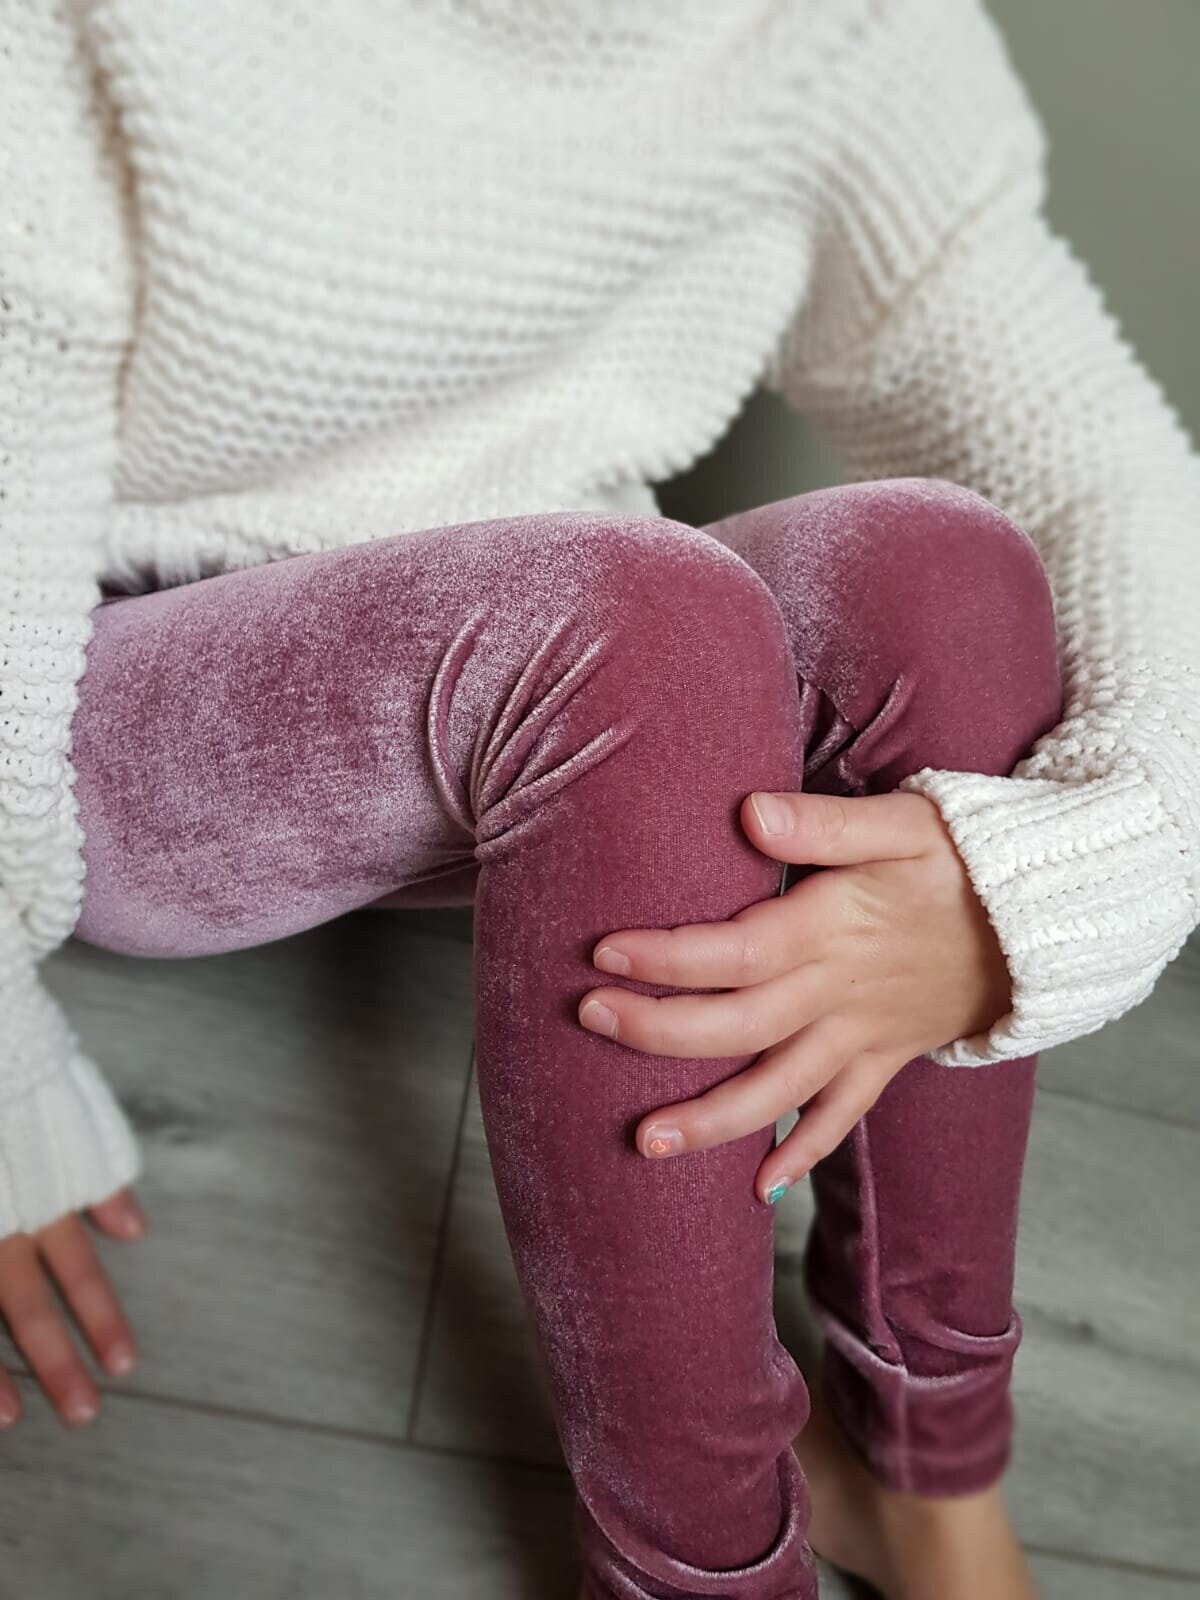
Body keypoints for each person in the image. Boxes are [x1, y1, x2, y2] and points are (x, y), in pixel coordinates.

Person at [1, 3, 1196, 1598]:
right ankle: (699, 1577)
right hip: (137, 695)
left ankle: (927, 1471)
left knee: (951, 579)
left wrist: (1043, 895)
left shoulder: (851, 33)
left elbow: (1094, 474)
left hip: (596, 704)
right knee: (636, 620)